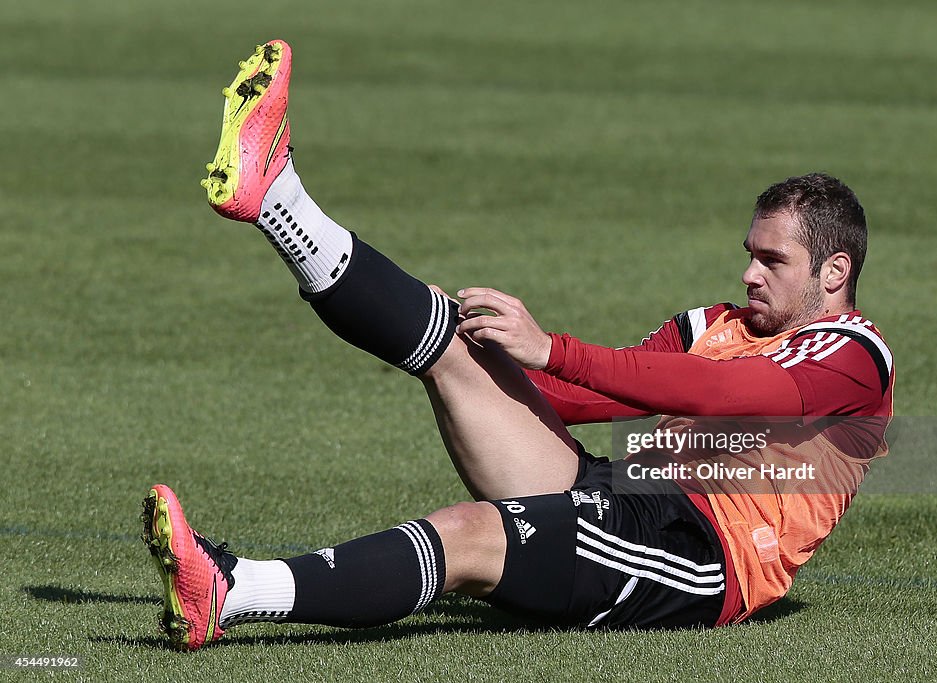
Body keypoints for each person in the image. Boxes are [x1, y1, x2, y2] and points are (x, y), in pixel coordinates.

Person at [140, 40, 895, 651]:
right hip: (623, 489)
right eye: (750, 252)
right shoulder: (716, 323)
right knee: (454, 345)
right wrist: (474, 360)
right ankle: (277, 200)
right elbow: (584, 397)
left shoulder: (854, 357)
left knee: (467, 536)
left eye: (772, 261)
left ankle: (234, 590)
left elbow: (732, 395)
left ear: (834, 271)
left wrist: (552, 348)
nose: (747, 272)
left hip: (699, 556)